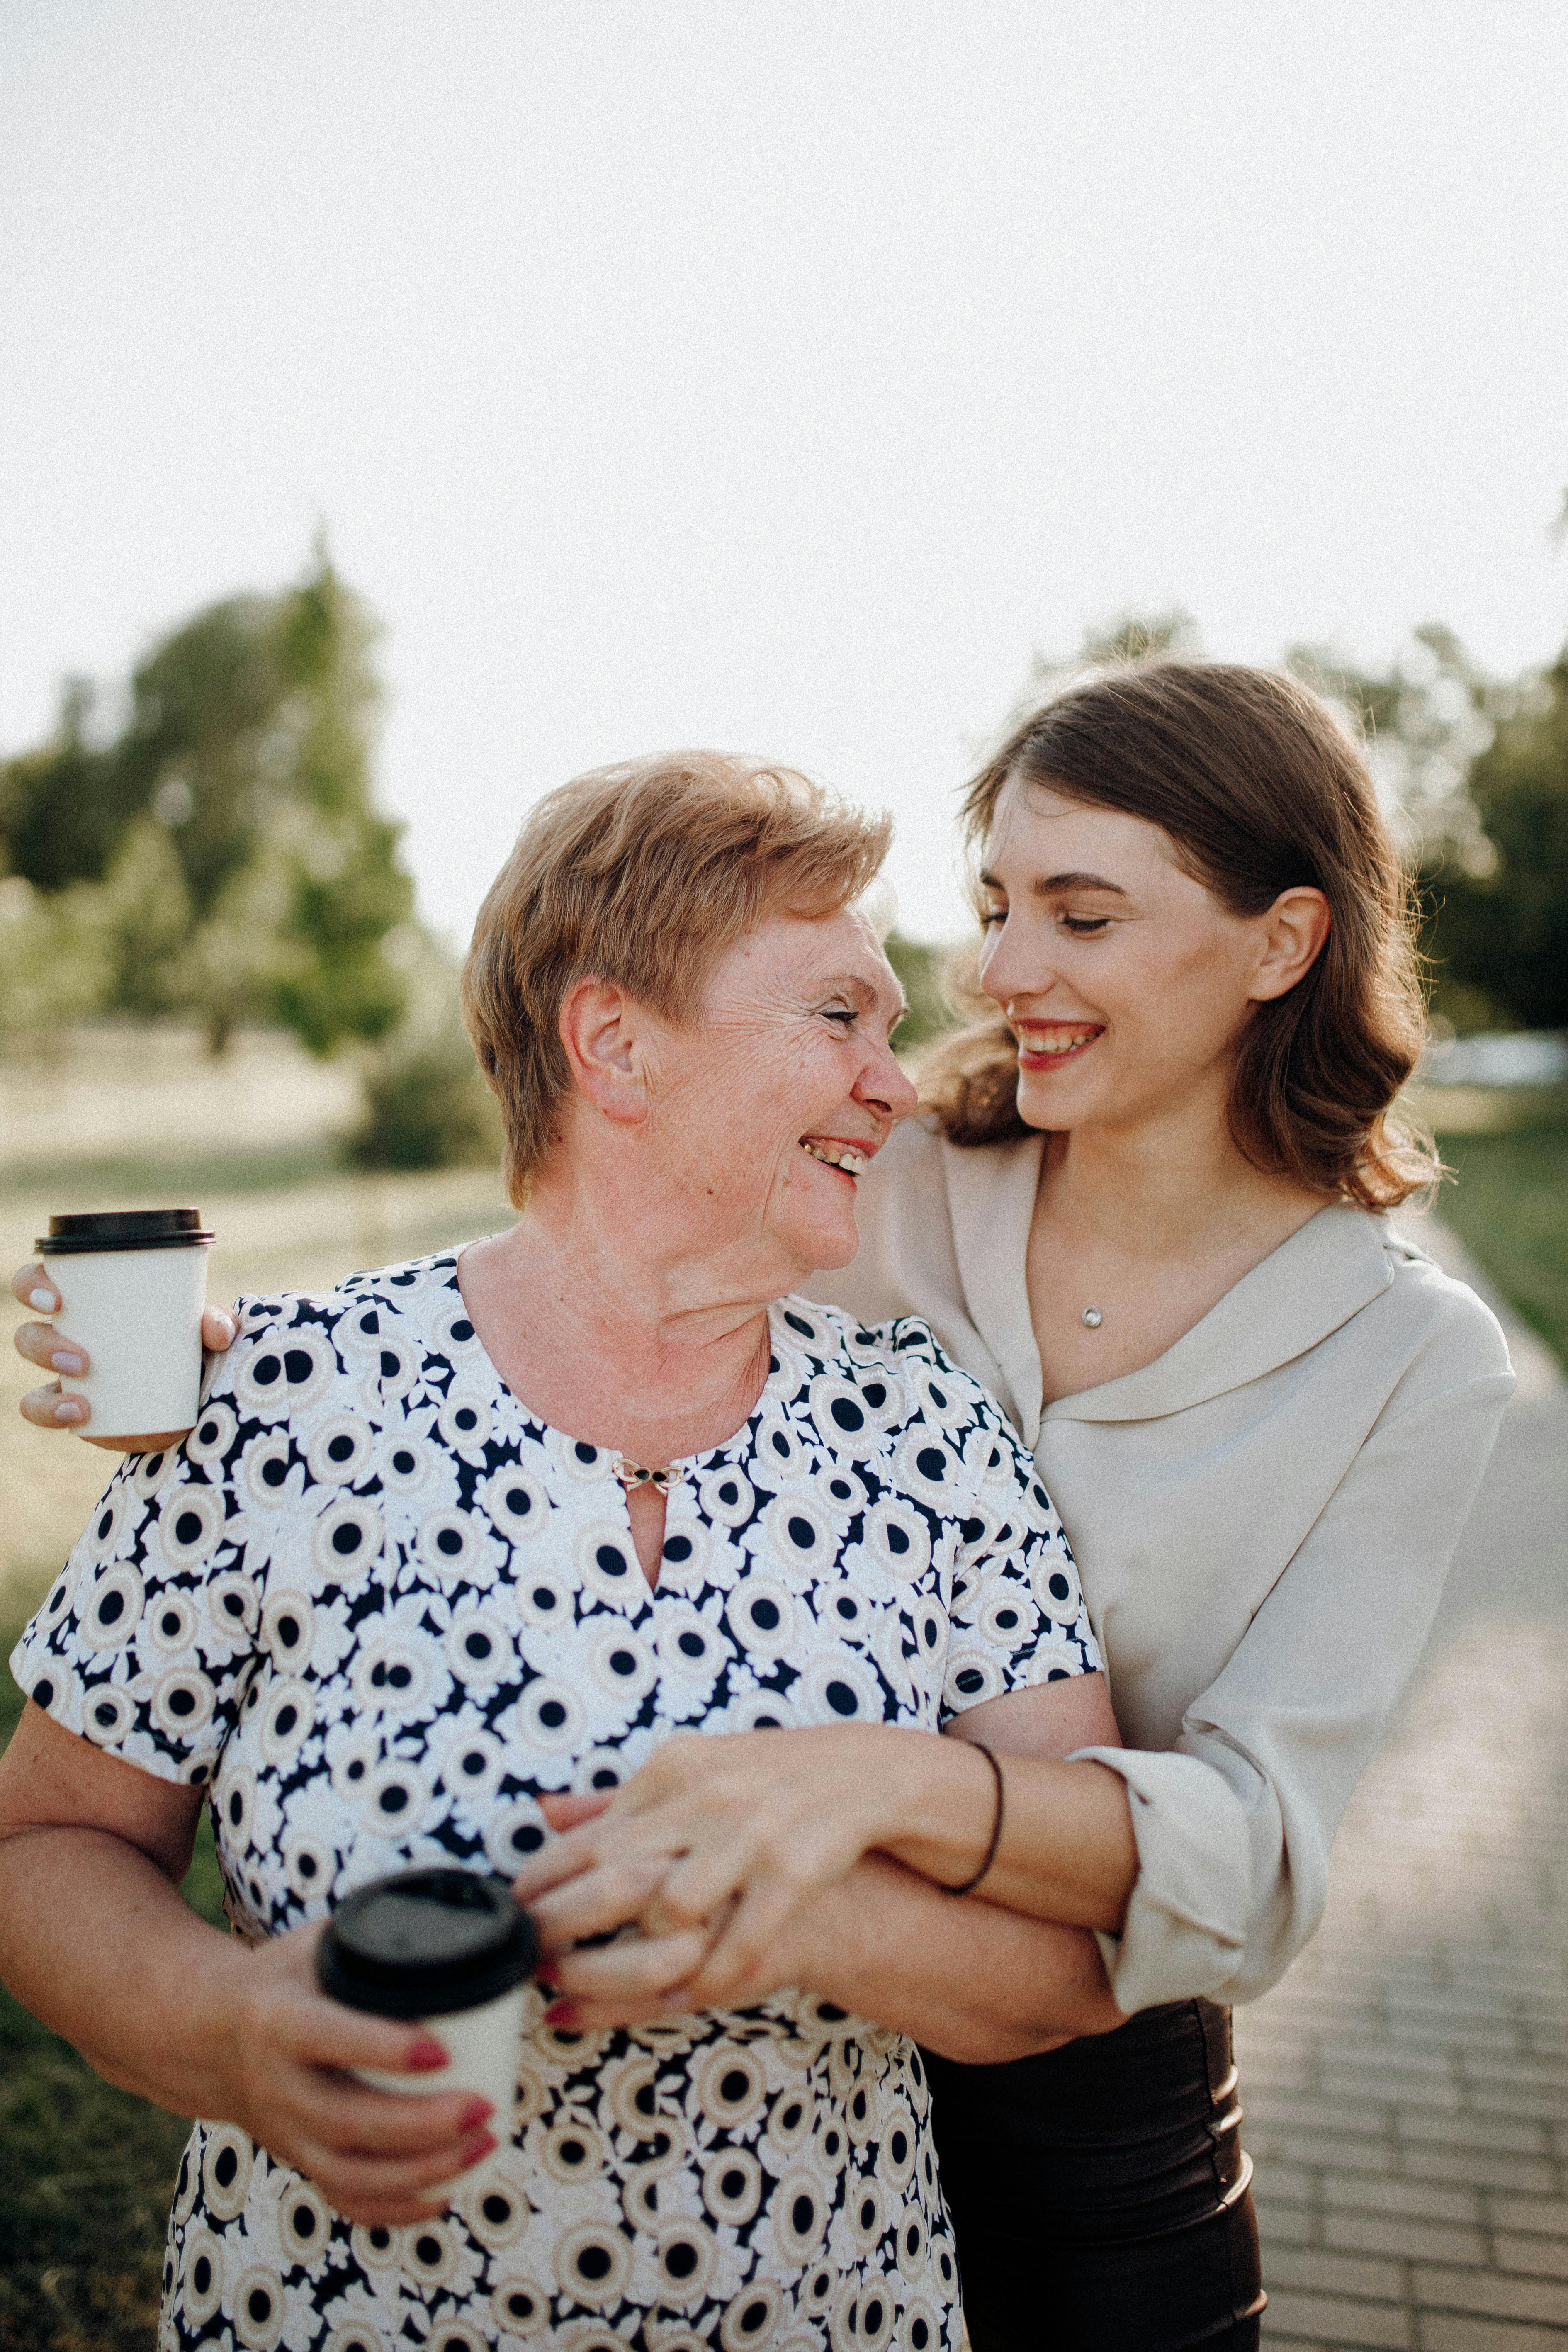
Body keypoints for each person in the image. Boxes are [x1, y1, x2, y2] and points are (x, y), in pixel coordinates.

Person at [424, 665, 1516, 2351]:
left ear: (1281, 943)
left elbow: (1253, 1851)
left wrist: (888, 1787)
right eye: (999, 905)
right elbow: (605, 1270)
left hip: (1092, 2098)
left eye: (1080, 916)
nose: (1001, 973)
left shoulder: (1409, 1354)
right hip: (741, 2074)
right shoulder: (888, 1173)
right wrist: (275, 1368)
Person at [0, 752, 1125, 2352]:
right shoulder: (284, 1394)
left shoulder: (926, 1428)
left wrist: (810, 1919)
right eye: (837, 1018)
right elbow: (43, 1848)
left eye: (889, 1025)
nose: (899, 1080)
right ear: (615, 1044)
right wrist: (225, 2031)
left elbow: (1079, 1959)